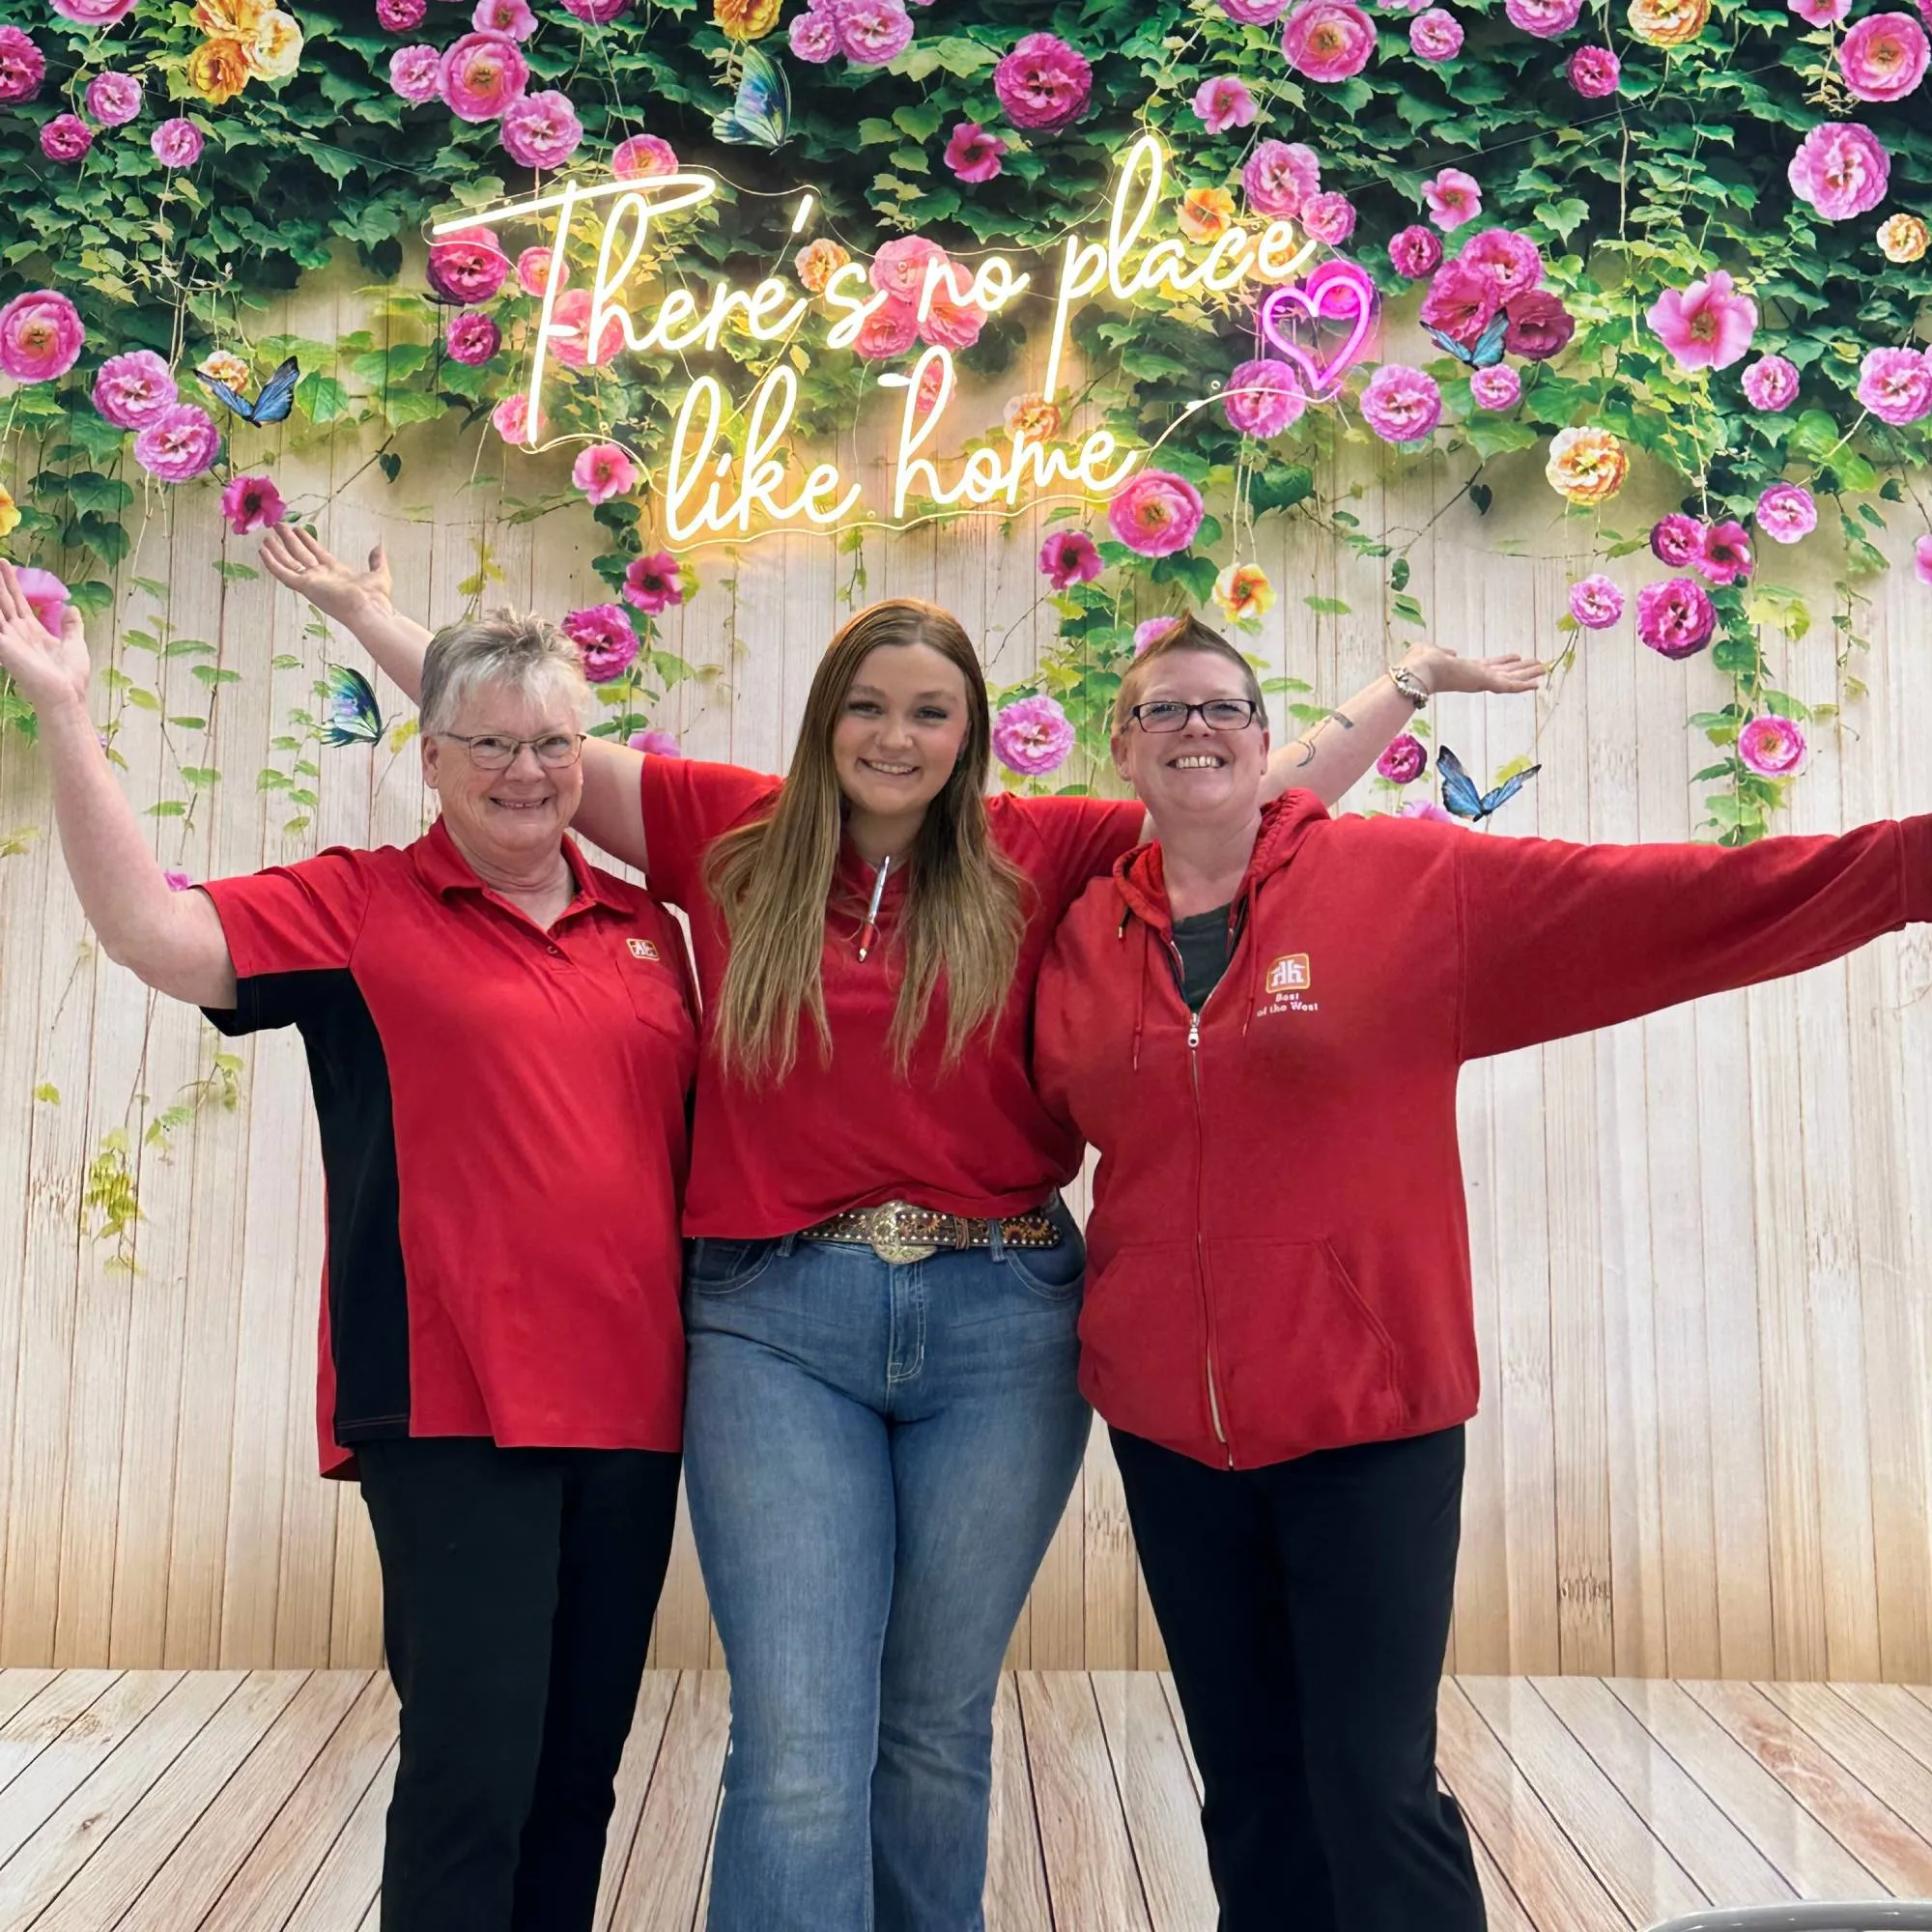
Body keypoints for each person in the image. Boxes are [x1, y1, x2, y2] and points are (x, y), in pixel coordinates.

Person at [259, 526, 1543, 1932]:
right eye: (869, 704)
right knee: (802, 1741)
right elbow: (525, 749)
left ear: (971, 734)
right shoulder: (730, 830)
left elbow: (1242, 789)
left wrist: (1406, 683)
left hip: (1000, 1325)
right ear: (827, 720)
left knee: (934, 1723)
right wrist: (373, 619)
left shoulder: (1040, 846)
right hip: (772, 1324)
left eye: (932, 710)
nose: (896, 734)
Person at [1033, 613, 1932, 1932]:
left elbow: (1688, 904)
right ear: (1121, 747)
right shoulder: (1077, 937)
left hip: (1367, 1421)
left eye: (1223, 705)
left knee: (1369, 1778)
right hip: (1170, 1430)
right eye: (1163, 710)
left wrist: (1911, 866)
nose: (1196, 729)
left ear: (1268, 739)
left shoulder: (1407, 887)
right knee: (1251, 1787)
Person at [0, 561, 698, 1932]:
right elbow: (150, 932)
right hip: (449, 1410)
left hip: (636, 1411)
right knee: (470, 1771)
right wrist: (67, 713)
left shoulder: (653, 931)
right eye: (490, 743)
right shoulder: (358, 907)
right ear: (429, 758)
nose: (525, 770)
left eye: (553, 742)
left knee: (575, 1778)